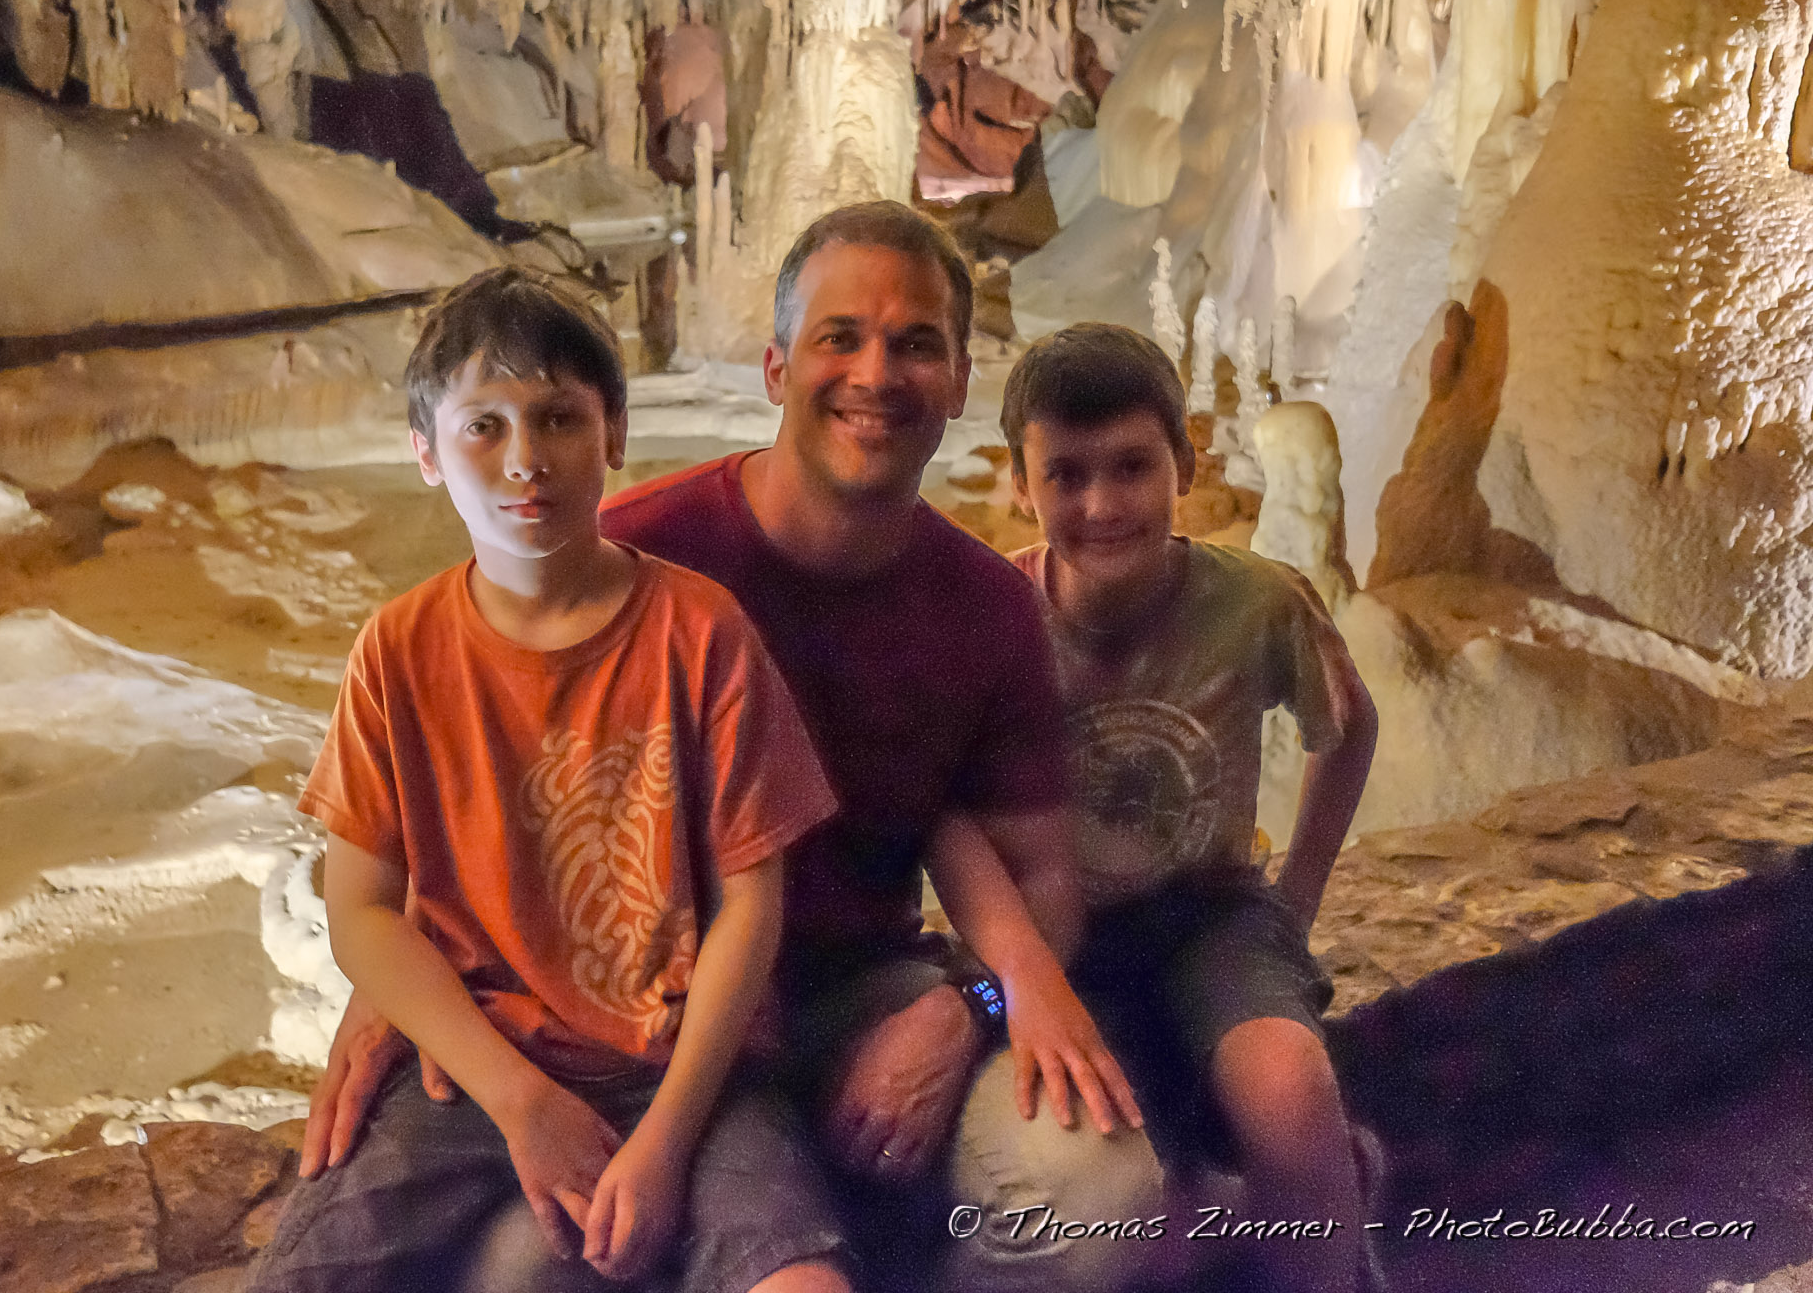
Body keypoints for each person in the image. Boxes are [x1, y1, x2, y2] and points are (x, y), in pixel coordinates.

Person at [304, 204, 1176, 1293]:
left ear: (960, 379)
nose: (876, 374)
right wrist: (392, 994)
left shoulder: (985, 609)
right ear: (776, 367)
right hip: (619, 1019)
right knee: (534, 1261)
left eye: (915, 344)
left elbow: (1042, 883)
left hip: (859, 992)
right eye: (839, 337)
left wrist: (967, 1013)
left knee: (1102, 1202)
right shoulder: (632, 550)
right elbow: (478, 760)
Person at [250, 267, 853, 1293]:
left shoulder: (700, 633)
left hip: (687, 1076)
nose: (525, 459)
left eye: (559, 418)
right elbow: (361, 909)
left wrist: (665, 1141)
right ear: (426, 453)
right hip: (475, 1070)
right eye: (482, 426)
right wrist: (521, 1102)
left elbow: (751, 904)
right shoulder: (399, 651)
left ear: (613, 434)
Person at [929, 321, 1380, 1293]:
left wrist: (1295, 902)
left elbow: (1347, 729)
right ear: (1020, 486)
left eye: (1133, 467)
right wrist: (999, 983)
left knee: (1291, 1090)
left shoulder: (1256, 602)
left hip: (1211, 916)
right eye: (1066, 474)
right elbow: (943, 806)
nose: (1102, 504)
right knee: (1092, 1167)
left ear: (1186, 461)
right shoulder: (992, 621)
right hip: (1045, 946)